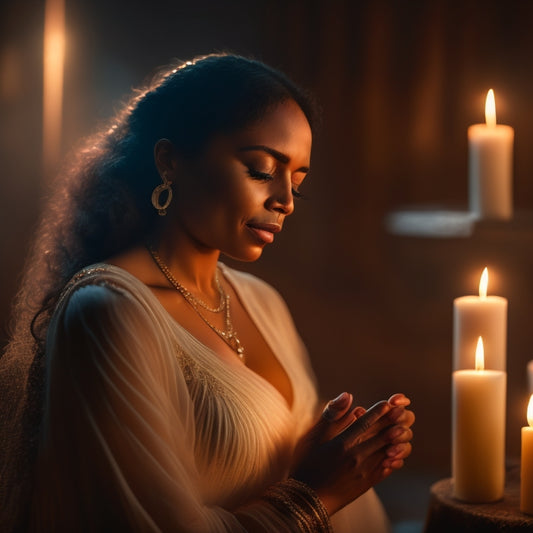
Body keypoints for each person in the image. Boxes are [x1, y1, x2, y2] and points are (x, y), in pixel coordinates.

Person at [0, 53, 414, 532]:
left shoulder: (262, 302)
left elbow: (268, 472)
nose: (284, 200)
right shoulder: (107, 312)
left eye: (297, 184)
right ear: (170, 161)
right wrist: (314, 494)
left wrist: (340, 452)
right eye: (261, 170)